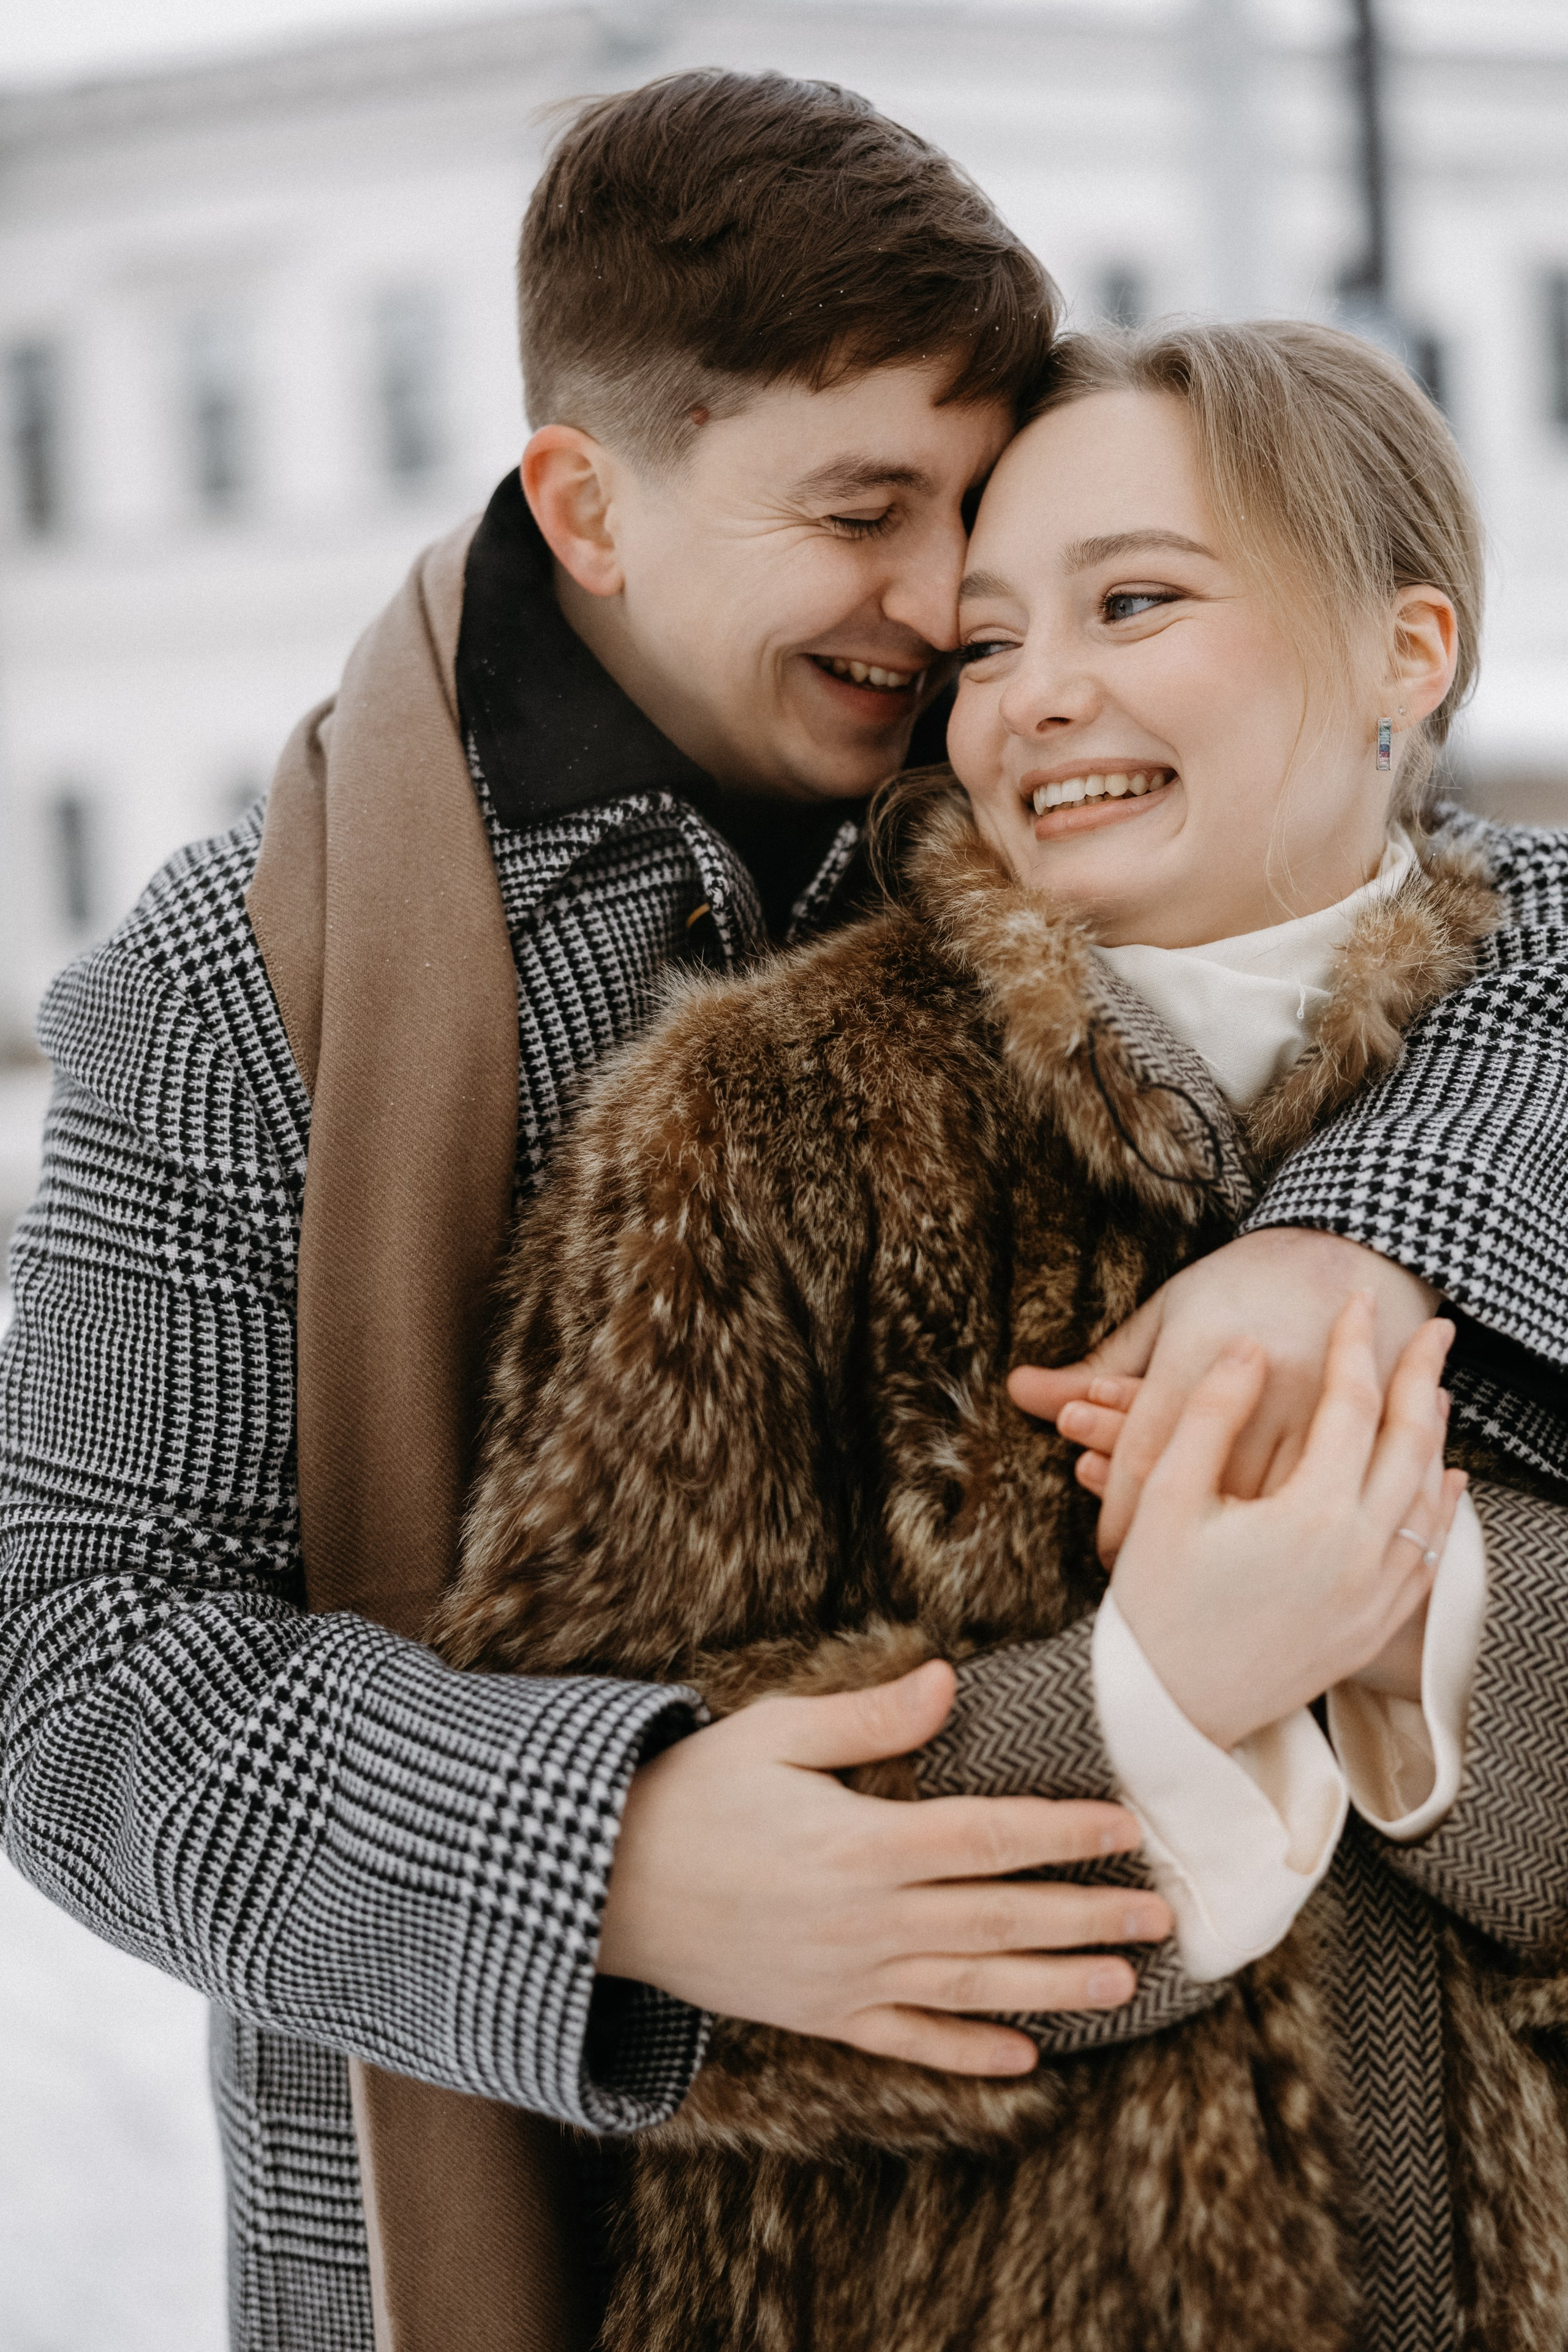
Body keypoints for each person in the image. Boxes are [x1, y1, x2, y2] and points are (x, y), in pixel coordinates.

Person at [0, 66, 1564, 2351]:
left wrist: (1368, 1234)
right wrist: (608, 1861)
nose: (951, 616)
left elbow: (1481, 917)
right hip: (593, 2209)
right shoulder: (255, 984)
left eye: (996, 524)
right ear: (590, 502)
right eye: (869, 514)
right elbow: (82, 1666)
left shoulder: (1051, 801)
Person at [438, 318, 1568, 2351]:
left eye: (1136, 599)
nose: (1038, 697)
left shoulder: (1539, 1081)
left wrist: (1431, 1620)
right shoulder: (753, 1125)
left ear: (1411, 652)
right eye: (983, 644)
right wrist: (1157, 1699)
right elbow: (619, 1953)